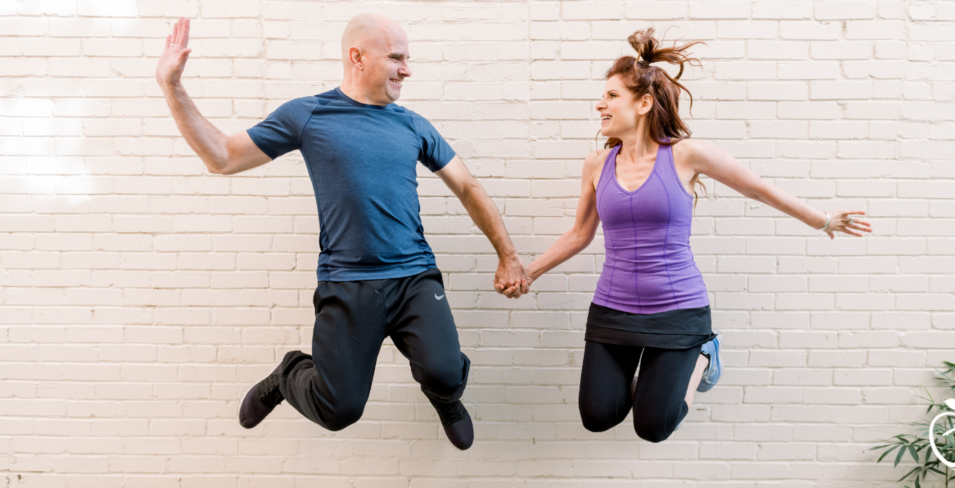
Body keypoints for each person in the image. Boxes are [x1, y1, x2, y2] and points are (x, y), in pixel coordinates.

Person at [155, 14, 529, 450]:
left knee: (445, 372)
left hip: (414, 277)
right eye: (396, 58)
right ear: (357, 57)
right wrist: (173, 86)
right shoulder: (309, 114)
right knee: (339, 411)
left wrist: (507, 253)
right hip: (348, 283)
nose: (407, 69)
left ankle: (444, 396)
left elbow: (467, 186)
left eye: (408, 59)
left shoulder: (412, 124)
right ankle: (289, 372)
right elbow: (222, 156)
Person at [499, 29, 872, 443]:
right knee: (598, 415)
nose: (599, 104)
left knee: (653, 427)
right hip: (612, 309)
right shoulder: (596, 163)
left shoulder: (684, 155)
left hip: (677, 310)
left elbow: (758, 189)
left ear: (643, 104)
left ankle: (703, 353)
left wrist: (822, 220)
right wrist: (528, 273)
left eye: (611, 96)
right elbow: (580, 234)